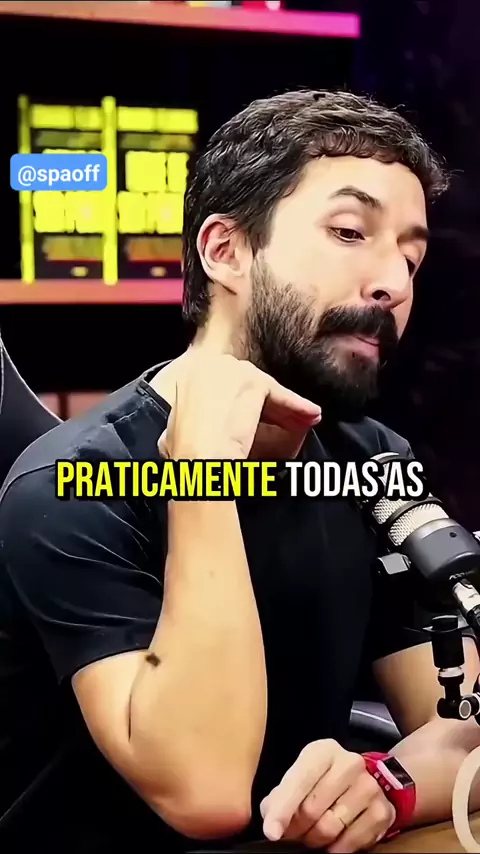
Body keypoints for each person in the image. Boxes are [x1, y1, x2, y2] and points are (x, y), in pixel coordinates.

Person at [0, 89, 479, 854]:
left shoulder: (372, 461)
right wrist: (201, 475)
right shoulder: (69, 485)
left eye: (411, 256)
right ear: (225, 250)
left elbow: (465, 723)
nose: (393, 282)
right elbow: (206, 793)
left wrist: (389, 786)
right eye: (350, 232)